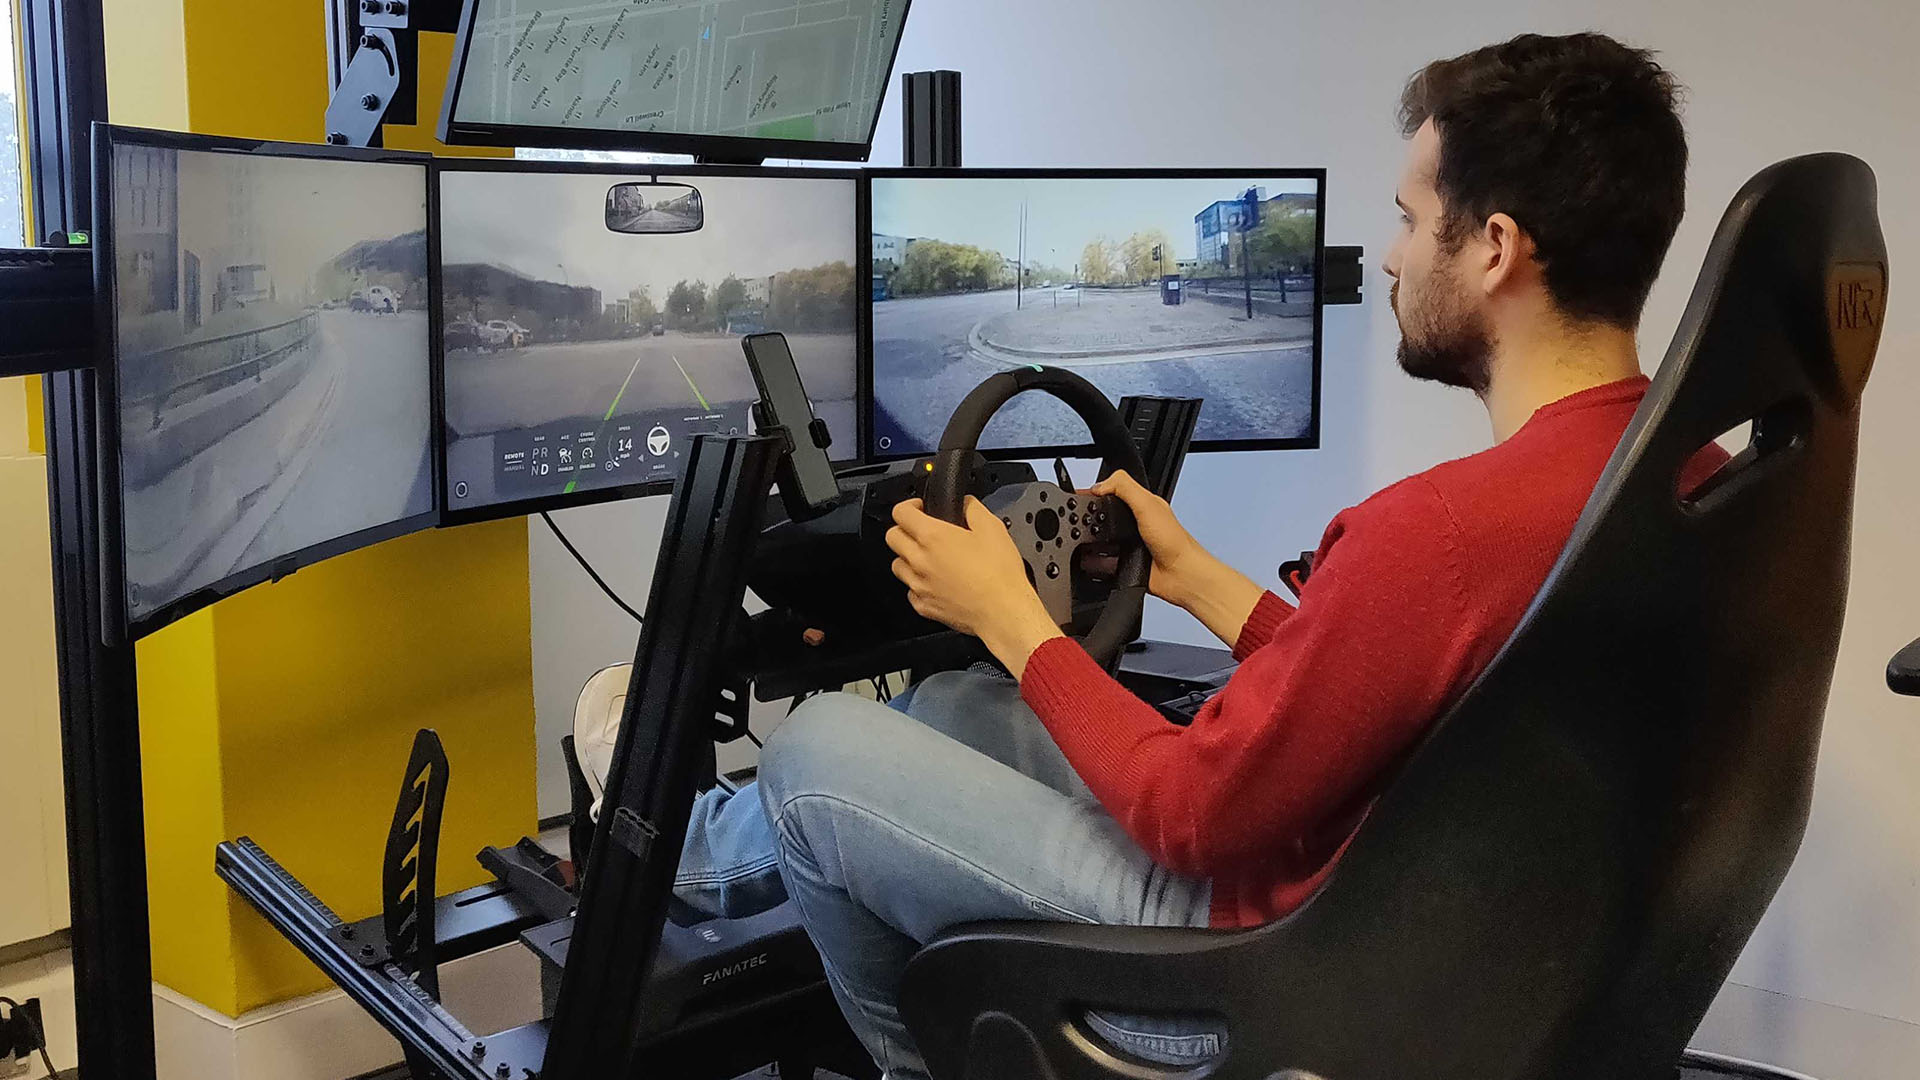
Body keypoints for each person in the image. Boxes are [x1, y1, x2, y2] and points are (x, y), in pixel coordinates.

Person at [581, 31, 1726, 1080]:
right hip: (1433, 933)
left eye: (1408, 217)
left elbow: (1193, 816)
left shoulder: (1442, 531)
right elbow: (1417, 692)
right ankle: (704, 859)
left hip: (1251, 965)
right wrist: (1197, 579)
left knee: (822, 748)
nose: (1384, 257)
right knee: (955, 711)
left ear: (1492, 250)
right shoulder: (1681, 480)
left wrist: (1012, 618)